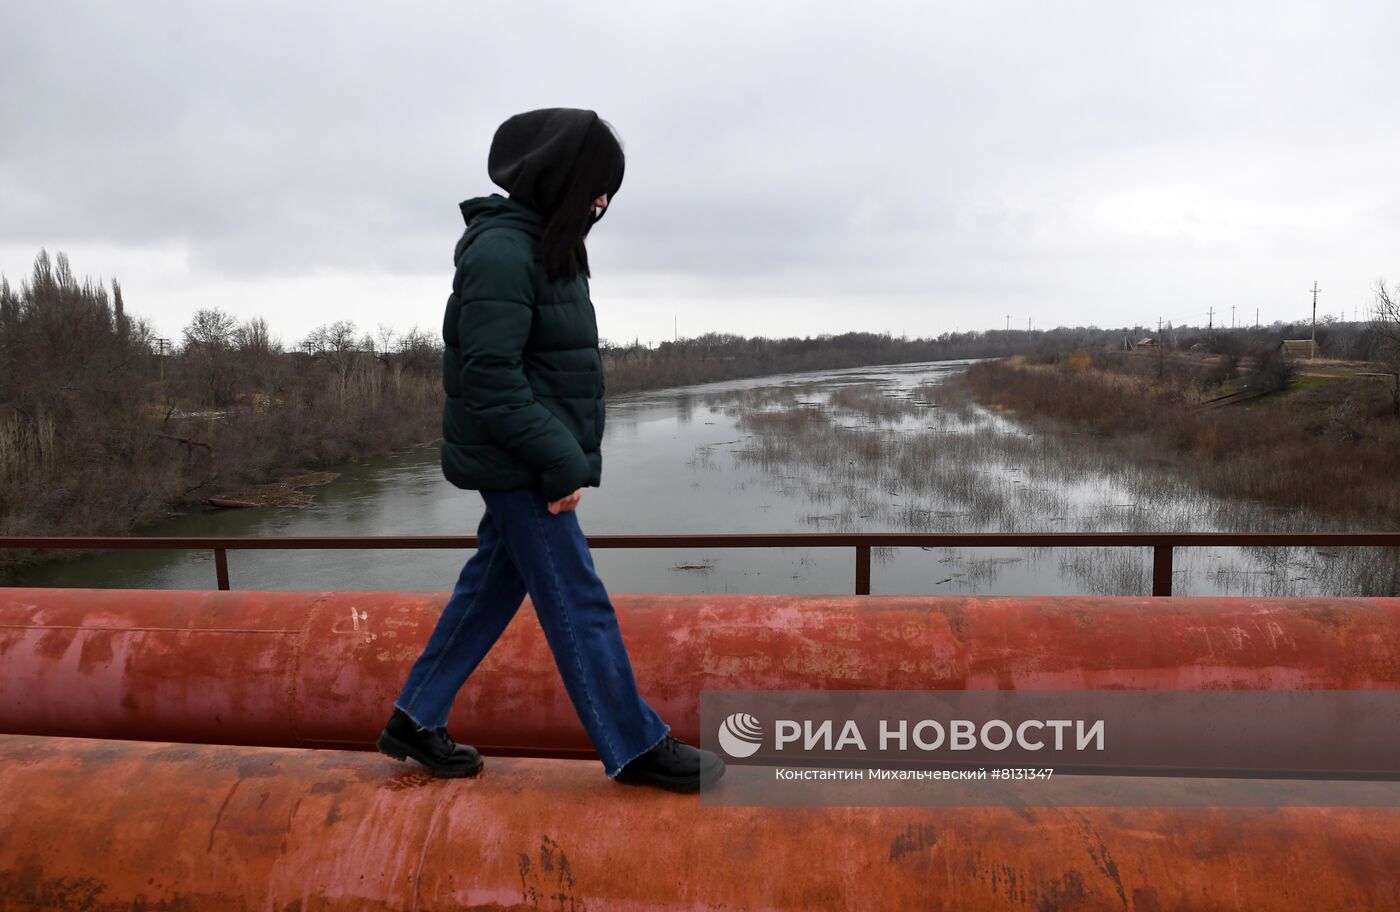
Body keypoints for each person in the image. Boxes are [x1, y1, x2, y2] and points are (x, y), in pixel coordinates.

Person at [376, 107, 725, 793]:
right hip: (523, 463)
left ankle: (415, 719)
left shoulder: (542, 242)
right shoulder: (504, 251)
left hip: (529, 455)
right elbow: (490, 375)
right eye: (596, 188)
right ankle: (633, 744)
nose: (602, 204)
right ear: (559, 178)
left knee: (488, 589)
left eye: (609, 194)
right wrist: (560, 459)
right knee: (578, 599)